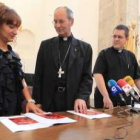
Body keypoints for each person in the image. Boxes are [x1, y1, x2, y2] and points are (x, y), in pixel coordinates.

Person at [32, 6, 93, 113]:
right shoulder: (46, 45)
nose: (57, 25)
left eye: (61, 21)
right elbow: (38, 75)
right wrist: (37, 101)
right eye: (55, 22)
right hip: (48, 101)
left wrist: (81, 97)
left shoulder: (85, 48)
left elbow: (87, 78)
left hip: (72, 101)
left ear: (71, 21)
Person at [0, 4, 44, 116]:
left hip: (13, 108)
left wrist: (29, 100)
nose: (15, 32)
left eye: (17, 27)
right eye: (11, 27)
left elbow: (21, 80)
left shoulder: (15, 54)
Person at [93, 24, 140, 109]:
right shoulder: (104, 54)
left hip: (125, 100)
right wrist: (106, 96)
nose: (116, 39)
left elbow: (137, 78)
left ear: (127, 39)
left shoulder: (131, 56)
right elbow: (97, 74)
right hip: (106, 100)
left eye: (119, 37)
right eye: (114, 36)